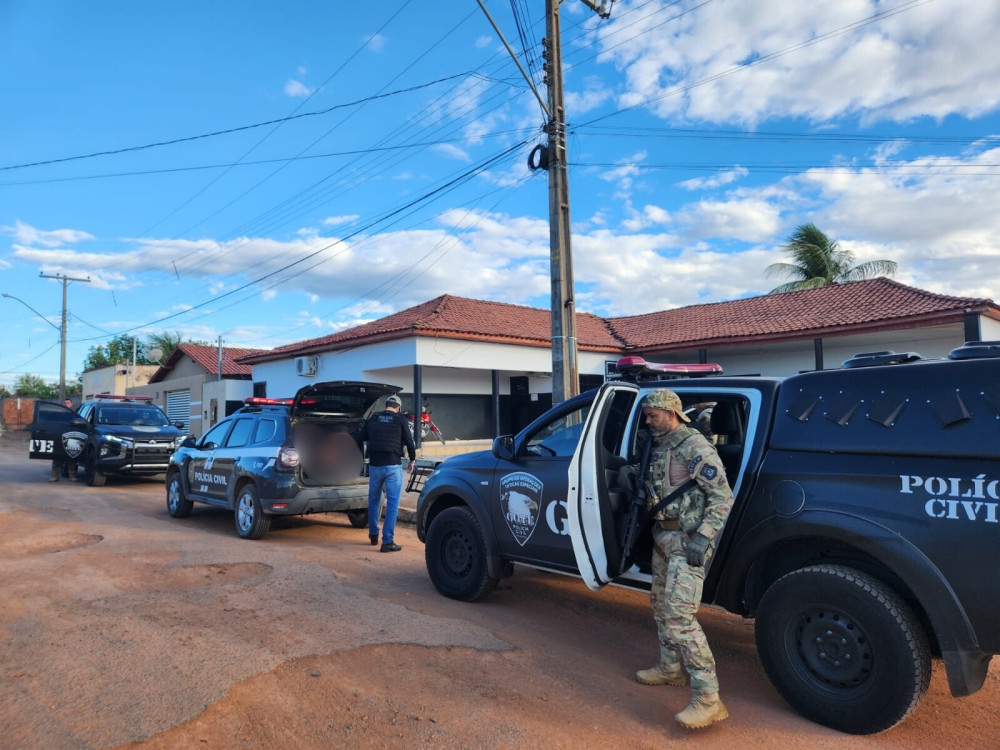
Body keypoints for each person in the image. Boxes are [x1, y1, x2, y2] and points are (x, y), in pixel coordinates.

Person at [634, 389, 734, 729]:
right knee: (660, 605)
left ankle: (709, 698)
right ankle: (670, 668)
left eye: (653, 415)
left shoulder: (693, 446)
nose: (647, 420)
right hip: (664, 538)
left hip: (689, 540)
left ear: (672, 413)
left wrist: (704, 537)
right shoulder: (658, 445)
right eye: (646, 415)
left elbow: (722, 495)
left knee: (680, 616)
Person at [359, 394, 415, 552]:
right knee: (392, 504)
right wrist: (412, 460)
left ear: (386, 405)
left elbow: (361, 438)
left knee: (374, 500)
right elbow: (410, 442)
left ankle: (373, 535)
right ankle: (387, 541)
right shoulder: (400, 420)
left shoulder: (374, 418)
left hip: (375, 466)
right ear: (397, 408)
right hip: (393, 466)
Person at [51, 398, 79, 482]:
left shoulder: (75, 415)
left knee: (71, 458)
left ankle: (72, 475)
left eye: (67, 403)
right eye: (64, 403)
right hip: (59, 437)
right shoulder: (58, 415)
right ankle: (55, 476)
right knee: (56, 457)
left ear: (71, 405)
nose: (65, 404)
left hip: (71, 438)